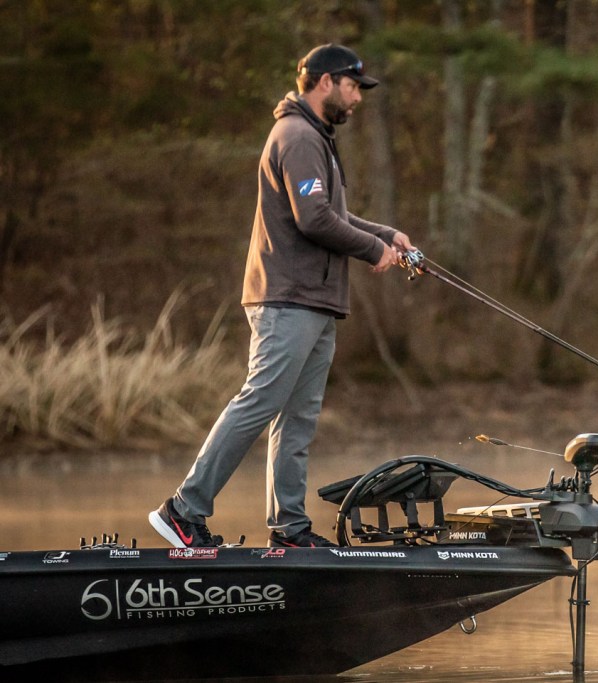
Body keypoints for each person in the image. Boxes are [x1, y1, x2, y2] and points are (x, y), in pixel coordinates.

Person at [149, 43, 415, 549]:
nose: (357, 97)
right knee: (260, 400)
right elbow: (313, 220)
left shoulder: (316, 138)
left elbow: (332, 213)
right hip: (287, 299)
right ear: (325, 82)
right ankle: (182, 509)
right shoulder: (296, 136)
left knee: (297, 419)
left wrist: (386, 236)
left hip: (315, 301)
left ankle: (289, 528)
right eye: (353, 86)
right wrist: (372, 250)